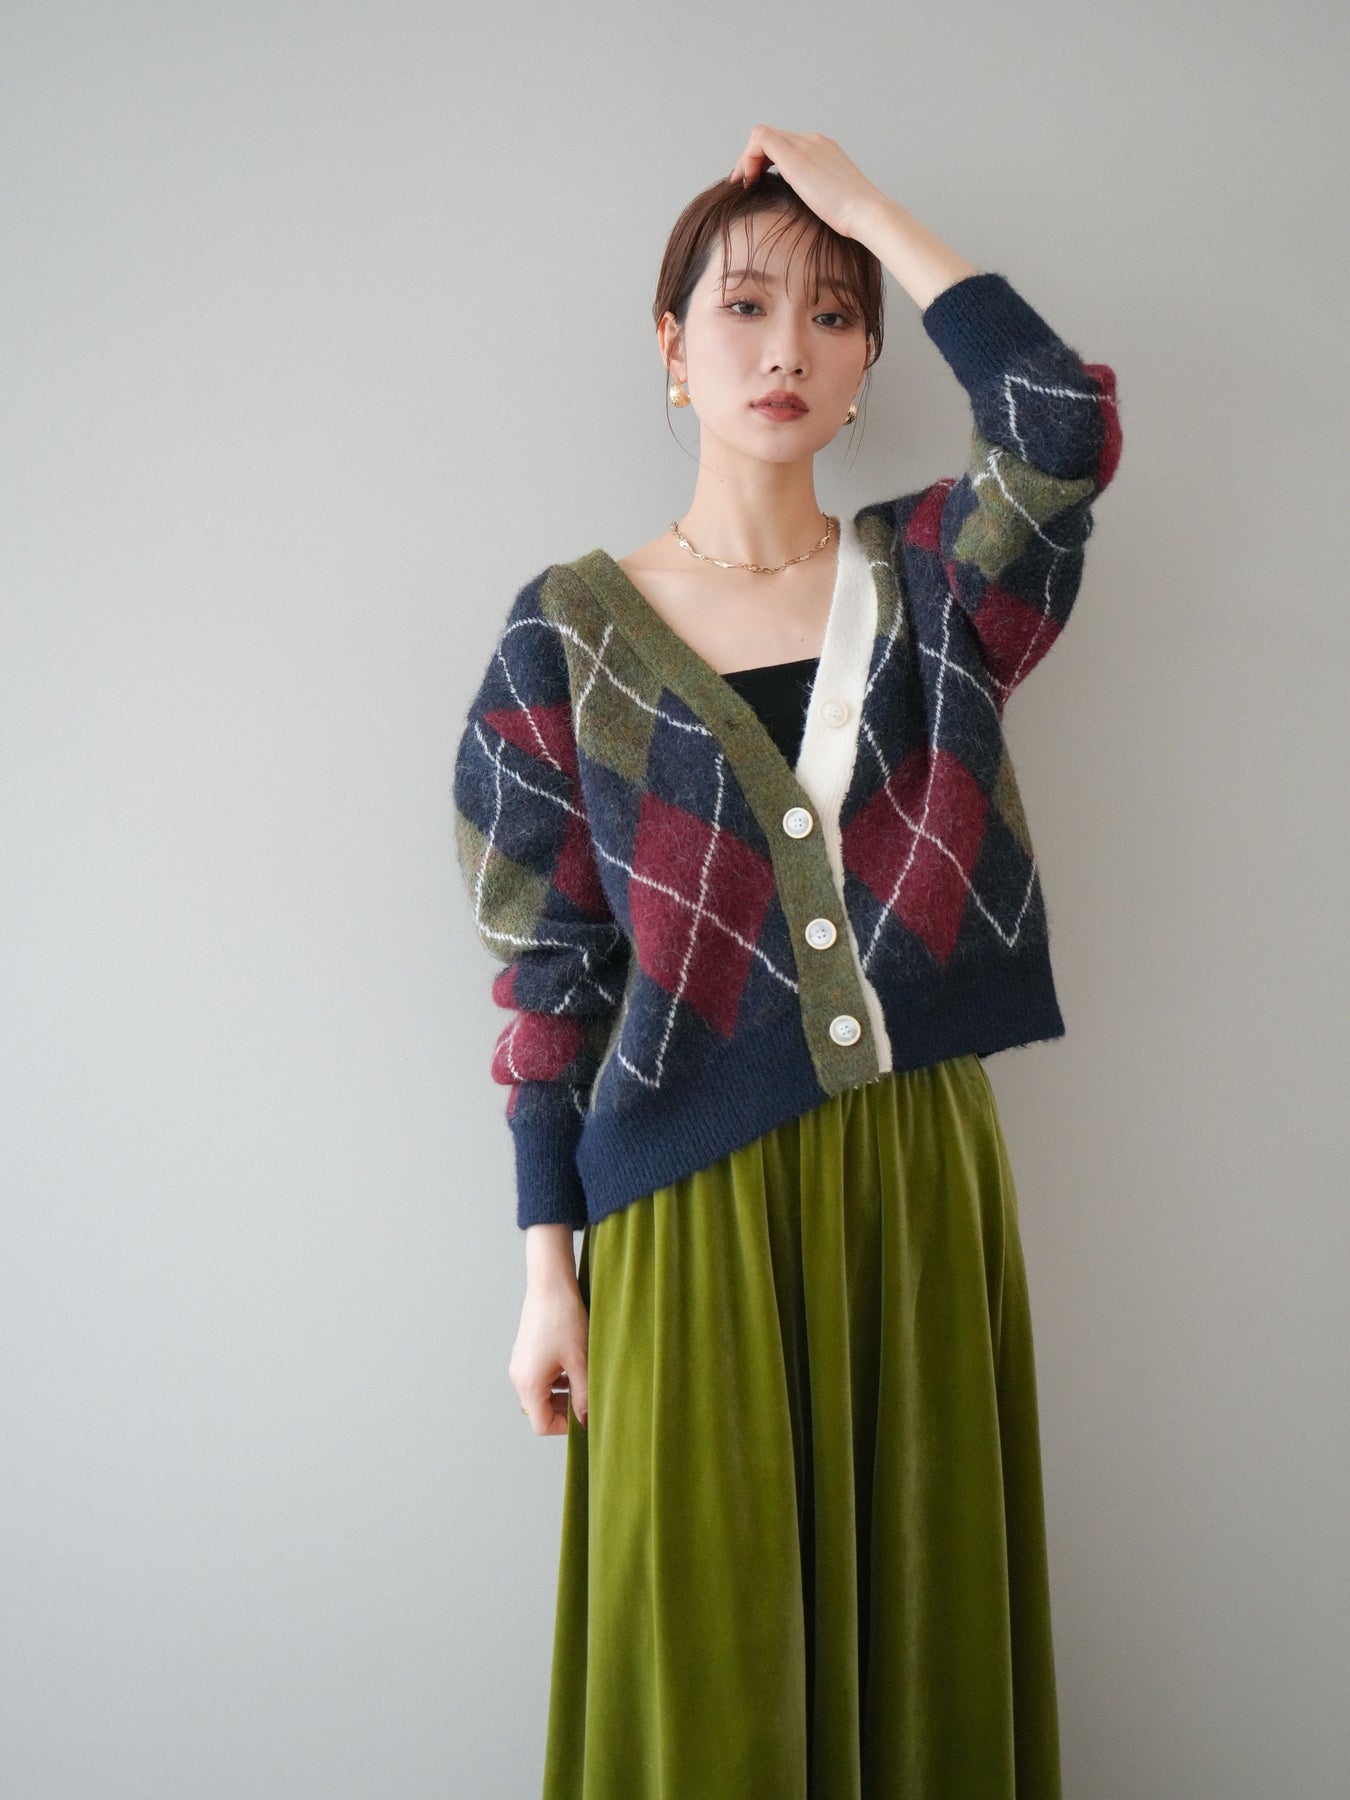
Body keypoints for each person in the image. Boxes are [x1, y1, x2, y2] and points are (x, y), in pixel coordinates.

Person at [452, 124, 1121, 1798]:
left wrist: (867, 209)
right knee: (707, 1651)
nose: (786, 349)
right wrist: (546, 1273)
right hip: (681, 1207)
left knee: (923, 1623)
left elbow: (1058, 425)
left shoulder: (937, 589)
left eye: (833, 315)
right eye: (742, 307)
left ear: (867, 362)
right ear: (670, 347)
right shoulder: (565, 635)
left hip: (913, 1172)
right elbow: (545, 975)